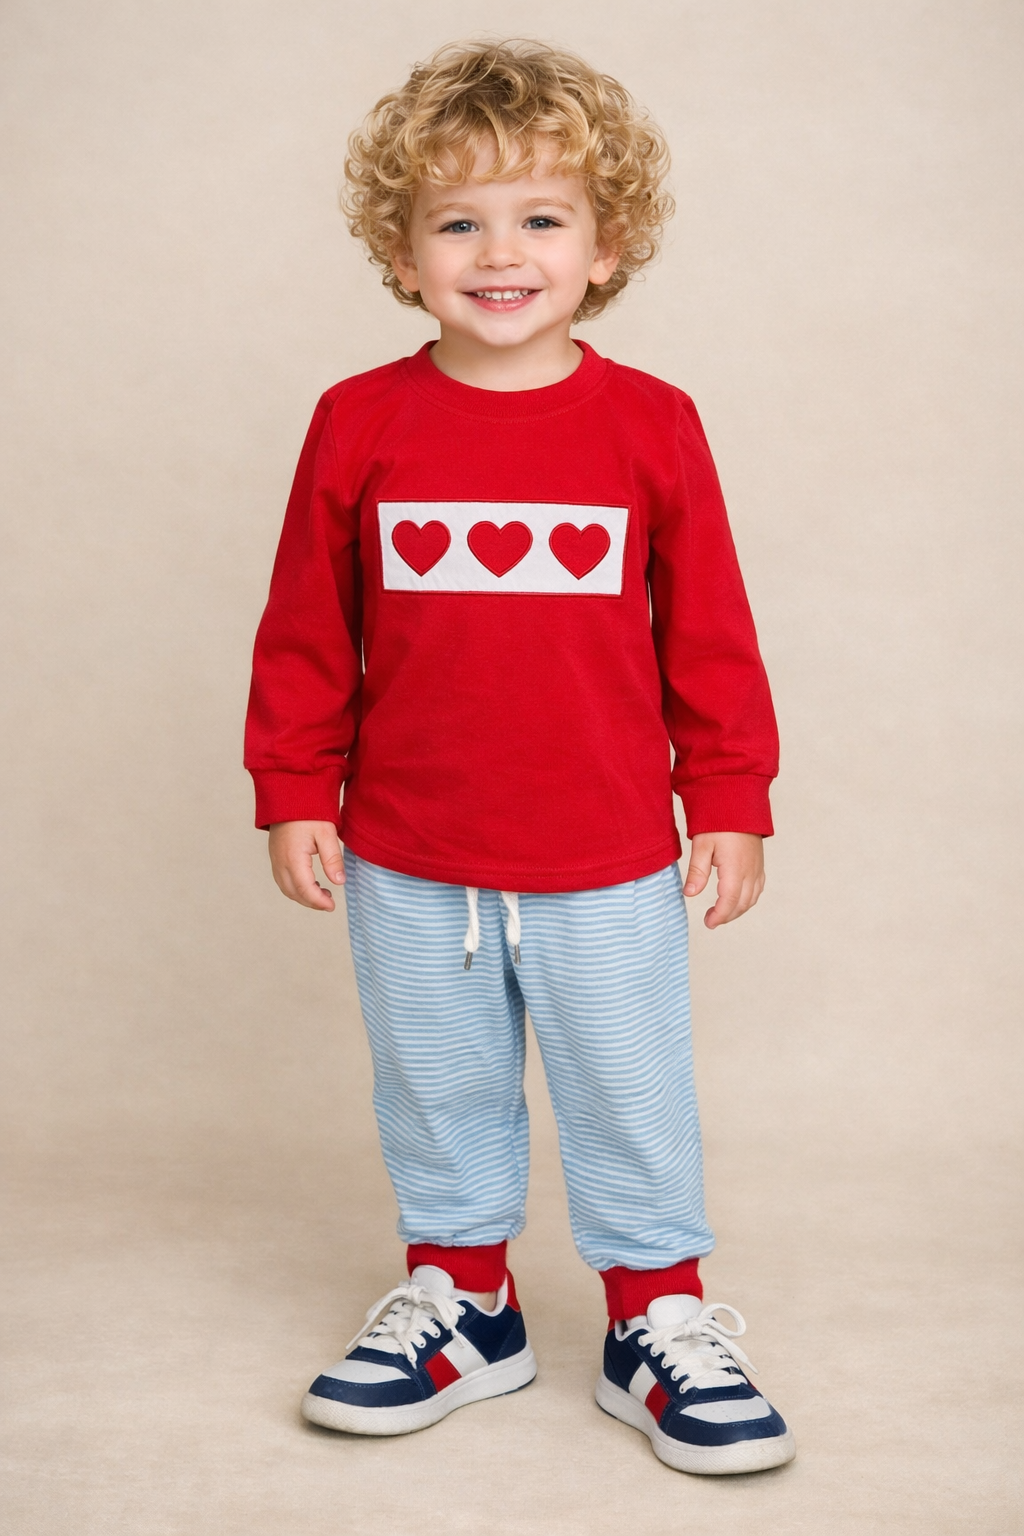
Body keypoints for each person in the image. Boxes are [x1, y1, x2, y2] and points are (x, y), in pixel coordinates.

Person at [244, 39, 794, 1475]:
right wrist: (295, 787)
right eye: (458, 220)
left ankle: (653, 1324)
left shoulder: (650, 425)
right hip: (408, 855)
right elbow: (307, 631)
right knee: (435, 1084)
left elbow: (712, 639)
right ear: (400, 247)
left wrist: (729, 798)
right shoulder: (358, 423)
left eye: (542, 217)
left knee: (628, 1087)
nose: (502, 253)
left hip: (605, 853)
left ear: (607, 248)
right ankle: (465, 1306)